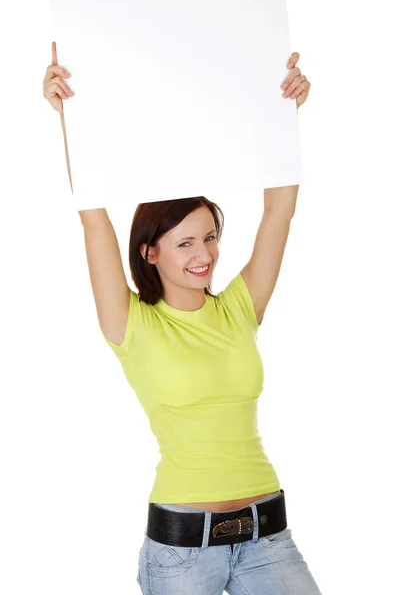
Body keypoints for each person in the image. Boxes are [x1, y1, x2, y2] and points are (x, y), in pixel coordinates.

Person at [43, 42, 318, 595]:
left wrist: (283, 113)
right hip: (182, 553)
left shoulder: (239, 307)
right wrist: (68, 117)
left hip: (268, 536)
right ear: (150, 252)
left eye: (211, 237)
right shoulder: (131, 324)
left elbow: (280, 210)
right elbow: (95, 222)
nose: (205, 255)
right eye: (185, 242)